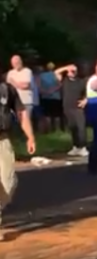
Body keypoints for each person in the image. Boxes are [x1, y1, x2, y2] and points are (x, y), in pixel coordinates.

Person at [0, 78, 36, 240]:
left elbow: (21, 113)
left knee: (9, 182)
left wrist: (30, 137)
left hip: (3, 140)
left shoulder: (7, 90)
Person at [55, 64, 88, 156]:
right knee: (72, 127)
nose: (72, 73)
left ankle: (83, 147)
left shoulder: (81, 81)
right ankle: (76, 146)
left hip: (78, 107)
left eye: (74, 71)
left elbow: (89, 92)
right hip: (67, 107)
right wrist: (67, 67)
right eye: (71, 71)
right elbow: (56, 72)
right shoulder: (64, 81)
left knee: (81, 127)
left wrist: (85, 100)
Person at [39, 62, 63, 132]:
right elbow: (60, 85)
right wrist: (53, 90)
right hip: (56, 97)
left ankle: (49, 129)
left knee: (47, 115)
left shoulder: (42, 75)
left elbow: (39, 86)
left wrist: (46, 91)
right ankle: (57, 129)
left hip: (45, 96)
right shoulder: (57, 74)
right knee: (57, 115)